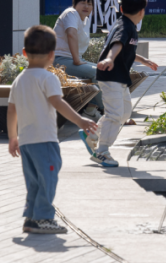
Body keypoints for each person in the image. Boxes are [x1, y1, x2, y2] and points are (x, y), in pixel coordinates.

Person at [7, 25, 99, 234]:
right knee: (48, 179)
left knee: (34, 181)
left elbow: (12, 110)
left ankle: (31, 217)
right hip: (45, 141)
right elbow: (59, 104)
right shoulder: (48, 78)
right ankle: (43, 218)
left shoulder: (18, 80)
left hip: (26, 142)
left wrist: (13, 137)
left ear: (24, 53)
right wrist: (80, 121)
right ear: (52, 55)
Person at [79, 0, 159, 168]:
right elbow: (117, 44)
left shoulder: (125, 24)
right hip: (111, 75)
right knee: (115, 114)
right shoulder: (124, 26)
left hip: (118, 77)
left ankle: (91, 134)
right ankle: (102, 151)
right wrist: (109, 58)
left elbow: (126, 48)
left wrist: (143, 60)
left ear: (122, 9)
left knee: (123, 113)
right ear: (142, 11)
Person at [53, 0, 103, 116]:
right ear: (75, 4)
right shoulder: (71, 13)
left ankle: (91, 109)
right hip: (59, 60)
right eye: (82, 3)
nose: (86, 6)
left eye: (89, 4)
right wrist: (77, 60)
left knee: (104, 69)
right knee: (98, 72)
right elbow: (71, 34)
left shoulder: (85, 20)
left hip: (72, 60)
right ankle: (111, 112)